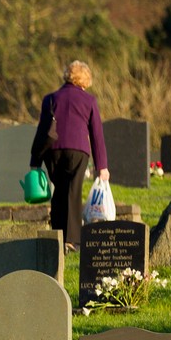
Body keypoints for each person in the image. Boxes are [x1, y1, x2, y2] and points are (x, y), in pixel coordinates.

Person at [30, 59, 109, 252]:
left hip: (53, 151)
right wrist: (102, 166)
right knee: (73, 191)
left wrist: (35, 161)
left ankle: (57, 235)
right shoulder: (89, 101)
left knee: (59, 191)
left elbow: (42, 131)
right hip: (78, 150)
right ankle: (71, 239)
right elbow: (96, 134)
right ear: (85, 80)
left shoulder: (50, 99)